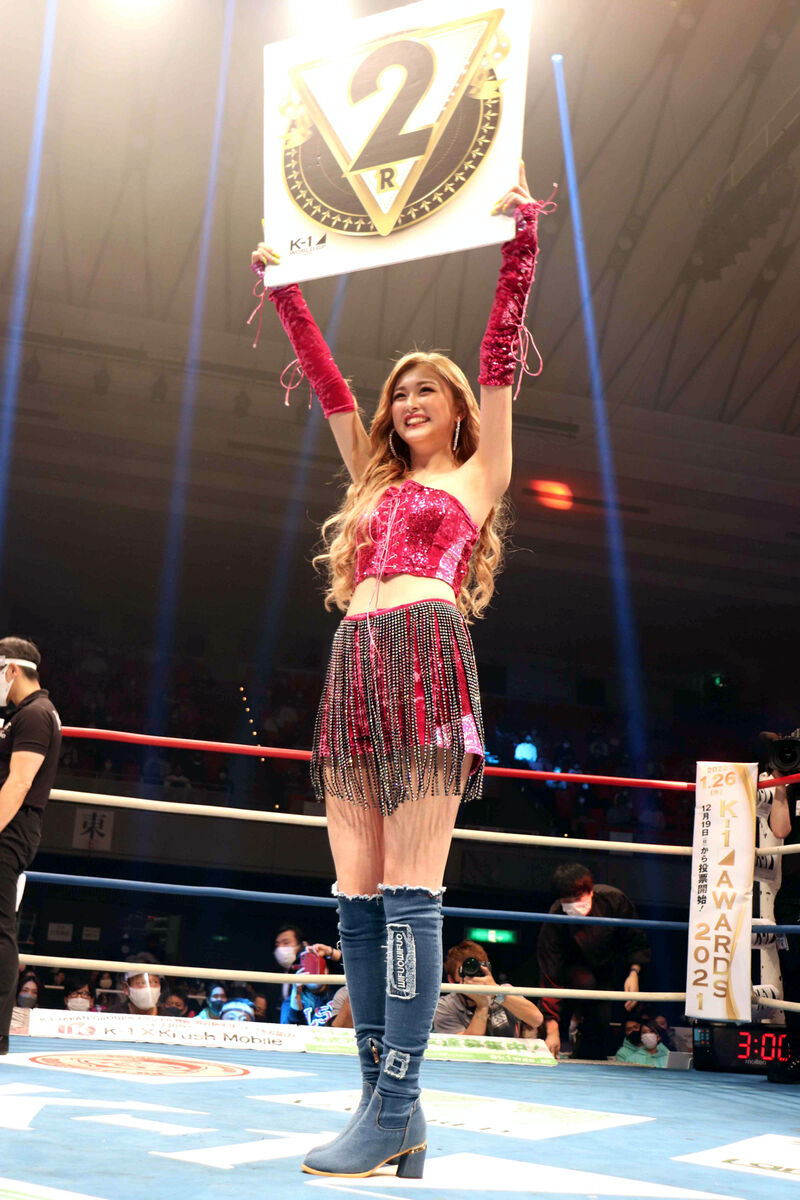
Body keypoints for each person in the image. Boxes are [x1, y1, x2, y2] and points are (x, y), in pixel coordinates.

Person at [252, 163, 550, 1179]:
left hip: (426, 655)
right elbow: (329, 388)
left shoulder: (479, 472)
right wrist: (286, 292)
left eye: (427, 389)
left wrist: (519, 244)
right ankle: (385, 1109)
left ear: (459, 409)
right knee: (357, 901)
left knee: (412, 890)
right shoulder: (372, 482)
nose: (409, 399)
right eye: (401, 392)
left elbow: (500, 353)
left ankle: (397, 1106)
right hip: (354, 663)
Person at [0, 638, 62, 1054]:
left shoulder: (37, 714)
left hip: (10, 828)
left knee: (0, 928)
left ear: (11, 670)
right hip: (10, 825)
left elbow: (20, 783)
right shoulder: (22, 713)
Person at [538, 862, 650, 1060]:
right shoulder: (555, 918)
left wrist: (634, 972)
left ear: (590, 891)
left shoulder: (613, 900)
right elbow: (550, 971)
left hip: (606, 972)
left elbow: (635, 938)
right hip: (569, 974)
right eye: (567, 901)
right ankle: (564, 1029)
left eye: (578, 899)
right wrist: (552, 1029)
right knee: (580, 986)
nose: (573, 905)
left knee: (599, 1026)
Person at [764, 731, 800, 1084]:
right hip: (794, 896)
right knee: (794, 976)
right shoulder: (791, 788)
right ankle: (798, 1056)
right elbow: (780, 829)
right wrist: (780, 784)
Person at [433, 940, 543, 1039]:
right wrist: (482, 1005)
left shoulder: (501, 994)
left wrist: (496, 993)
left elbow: (536, 1020)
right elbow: (469, 1046)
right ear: (451, 980)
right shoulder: (445, 1006)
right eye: (467, 970)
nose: (474, 976)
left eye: (478, 969)